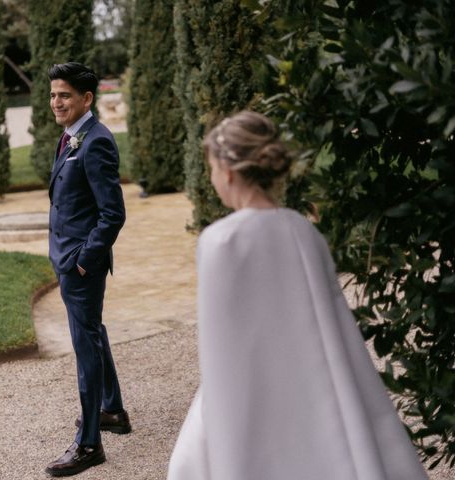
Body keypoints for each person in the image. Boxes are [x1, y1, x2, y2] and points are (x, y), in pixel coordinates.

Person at [167, 111, 428, 480]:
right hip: (319, 391)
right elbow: (332, 327)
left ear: (226, 172)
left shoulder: (220, 241)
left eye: (211, 169)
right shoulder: (303, 230)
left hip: (252, 397)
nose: (212, 179)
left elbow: (222, 352)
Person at [44, 62, 131, 477]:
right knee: (93, 332)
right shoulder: (69, 137)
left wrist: (83, 261)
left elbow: (112, 214)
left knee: (85, 346)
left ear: (86, 99)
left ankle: (89, 443)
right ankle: (112, 410)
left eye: (64, 95)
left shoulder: (95, 141)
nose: (56, 102)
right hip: (68, 257)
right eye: (53, 95)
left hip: (81, 263)